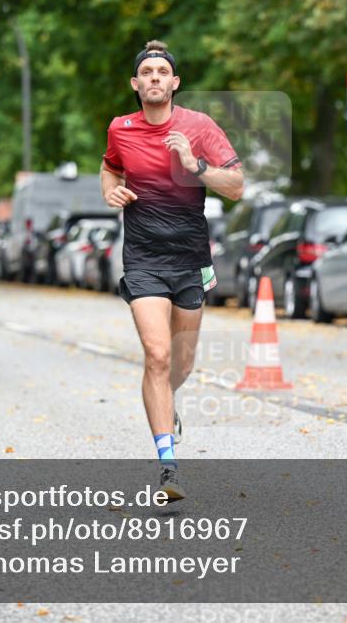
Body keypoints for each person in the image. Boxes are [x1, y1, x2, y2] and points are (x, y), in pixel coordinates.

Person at [100, 40, 244, 500]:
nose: (155, 78)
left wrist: (195, 165)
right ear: (136, 83)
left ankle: (167, 399)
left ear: (175, 82)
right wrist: (110, 191)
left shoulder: (199, 127)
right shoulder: (120, 129)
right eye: (147, 73)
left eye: (162, 72)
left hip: (190, 259)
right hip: (143, 258)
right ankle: (168, 466)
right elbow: (110, 168)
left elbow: (236, 186)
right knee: (157, 355)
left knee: (181, 363)